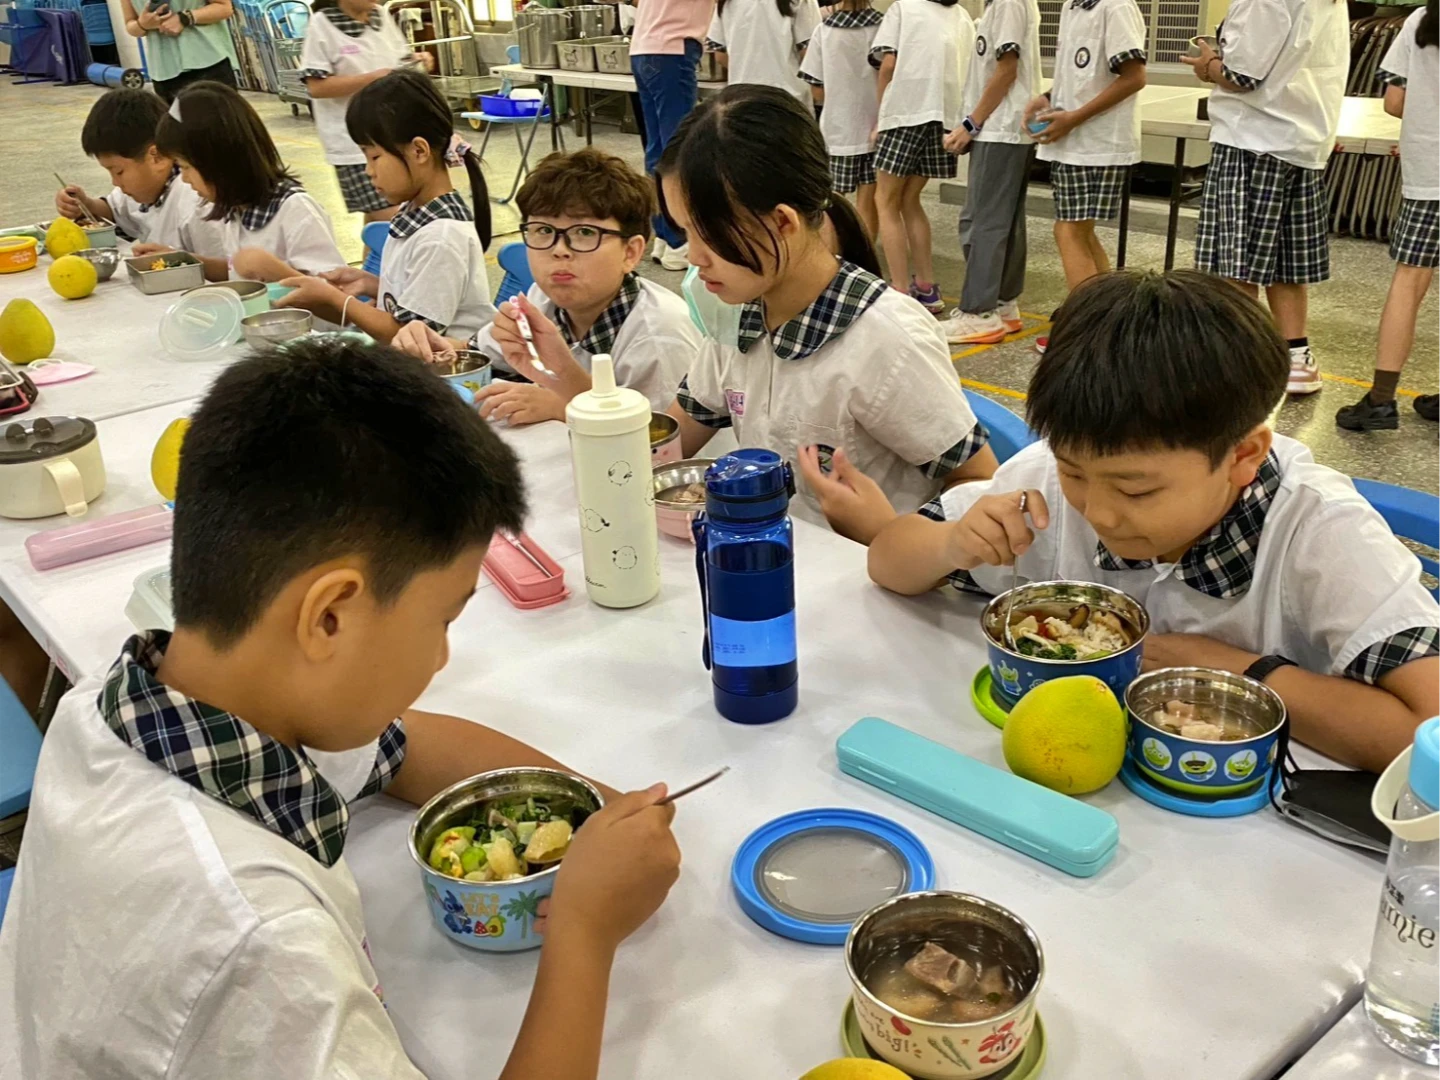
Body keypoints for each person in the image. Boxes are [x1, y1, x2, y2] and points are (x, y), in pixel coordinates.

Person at [0, 339, 683, 1080]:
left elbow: (406, 744)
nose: (442, 660)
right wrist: (583, 930)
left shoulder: (131, 699)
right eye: (445, 621)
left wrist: (595, 812)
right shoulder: (261, 948)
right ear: (329, 616)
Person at [868, 270, 1440, 775]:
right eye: (1076, 473)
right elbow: (887, 560)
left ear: (1243, 456)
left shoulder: (1320, 531)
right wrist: (952, 544)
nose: (1099, 511)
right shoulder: (1043, 479)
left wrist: (1235, 669)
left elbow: (1429, 737)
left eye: (1136, 488)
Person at [623, 85, 996, 541]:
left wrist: (892, 535)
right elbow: (673, 443)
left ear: (783, 222)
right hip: (771, 559)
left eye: (707, 234)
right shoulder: (736, 313)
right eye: (683, 232)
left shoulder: (886, 338)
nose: (693, 255)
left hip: (872, 585)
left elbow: (978, 484)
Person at [393, 148, 696, 424]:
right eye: (542, 230)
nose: (559, 250)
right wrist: (433, 348)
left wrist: (564, 407)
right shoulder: (543, 300)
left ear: (630, 252)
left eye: (584, 232)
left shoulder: (659, 337)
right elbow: (477, 352)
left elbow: (664, 449)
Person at [1182, 0, 1349, 396]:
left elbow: (1242, 75)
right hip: (1303, 138)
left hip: (1252, 140)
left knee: (1236, 265)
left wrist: (1207, 65)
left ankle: (1239, 362)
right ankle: (1296, 357)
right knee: (1284, 263)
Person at [274, 71, 496, 344]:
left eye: (374, 156)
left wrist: (337, 301)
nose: (368, 171)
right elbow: (420, 303)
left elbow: (409, 336)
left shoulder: (441, 238)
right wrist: (372, 284)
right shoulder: (418, 214)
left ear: (419, 151)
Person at [1335, 1, 1440, 434]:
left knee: (1409, 281)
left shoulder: (1421, 21)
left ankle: (1380, 401)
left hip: (1431, 174)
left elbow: (1395, 101)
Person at [135, 81, 347, 282]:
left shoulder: (296, 211)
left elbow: (336, 297)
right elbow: (234, 271)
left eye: (186, 167)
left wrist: (273, 271)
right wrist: (181, 259)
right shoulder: (236, 211)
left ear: (218, 160)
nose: (184, 178)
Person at [1023, 0, 1147, 296]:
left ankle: (1086, 324)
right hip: (1075, 140)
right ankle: (1106, 316)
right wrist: (1049, 97)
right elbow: (1085, 76)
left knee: (1069, 230)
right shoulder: (1072, 7)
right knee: (1081, 232)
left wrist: (1075, 118)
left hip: (1096, 142)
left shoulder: (1115, 7)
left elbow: (1134, 77)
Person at [939, 0, 1041, 345]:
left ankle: (978, 312)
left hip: (1000, 129)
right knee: (1004, 221)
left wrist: (972, 123)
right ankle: (1003, 303)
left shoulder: (1010, 3)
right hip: (1003, 129)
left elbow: (1006, 70)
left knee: (981, 221)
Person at [870, 0, 974, 314]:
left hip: (905, 111)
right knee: (911, 200)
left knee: (885, 201)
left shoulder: (903, 8)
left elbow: (888, 65)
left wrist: (881, 115)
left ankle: (900, 289)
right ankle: (927, 288)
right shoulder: (963, 17)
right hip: (943, 117)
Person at [298, 0, 433, 224]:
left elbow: (399, 61)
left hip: (390, 135)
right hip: (352, 143)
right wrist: (373, 79)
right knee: (396, 222)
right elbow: (316, 86)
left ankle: (372, 261)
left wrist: (417, 61)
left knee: (378, 226)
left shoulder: (381, 15)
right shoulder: (322, 24)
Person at [53, 88, 214, 252]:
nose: (115, 182)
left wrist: (180, 260)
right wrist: (85, 205)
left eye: (119, 172)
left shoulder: (195, 201)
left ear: (156, 157)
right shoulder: (145, 187)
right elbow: (114, 211)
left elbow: (228, 269)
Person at [630, 0, 716, 270]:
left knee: (658, 150)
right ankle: (680, 240)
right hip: (672, 49)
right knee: (678, 150)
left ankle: (664, 235)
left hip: (643, 49)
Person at [799, 0, 884, 240]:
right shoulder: (884, 28)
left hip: (837, 129)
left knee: (834, 203)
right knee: (868, 202)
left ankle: (838, 254)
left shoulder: (824, 32)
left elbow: (816, 88)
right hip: (876, 128)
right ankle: (867, 257)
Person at [705, 0, 821, 107]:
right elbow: (810, 55)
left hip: (740, 98)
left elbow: (720, 55)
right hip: (788, 100)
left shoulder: (727, 2)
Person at [117, 0, 237, 103]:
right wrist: (142, 24)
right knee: (175, 128)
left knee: (224, 126)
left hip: (209, 62)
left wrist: (185, 18)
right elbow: (130, 25)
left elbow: (224, 7)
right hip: (163, 72)